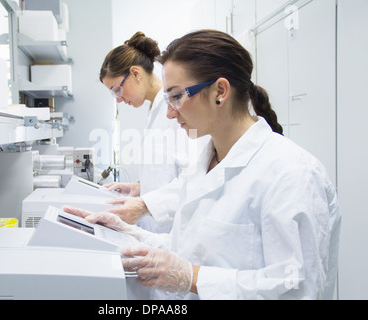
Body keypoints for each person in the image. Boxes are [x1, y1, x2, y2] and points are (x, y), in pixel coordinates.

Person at [65, 29, 341, 299]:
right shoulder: (204, 166)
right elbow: (185, 248)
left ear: (220, 91)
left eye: (177, 96)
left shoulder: (291, 174)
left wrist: (193, 278)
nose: (171, 113)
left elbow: (297, 290)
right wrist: (129, 233)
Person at [99, 31, 205, 233]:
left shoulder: (177, 111)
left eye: (117, 90)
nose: (118, 99)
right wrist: (141, 187)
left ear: (136, 73)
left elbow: (194, 176)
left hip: (176, 231)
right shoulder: (154, 109)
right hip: (157, 231)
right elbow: (166, 170)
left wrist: (144, 205)